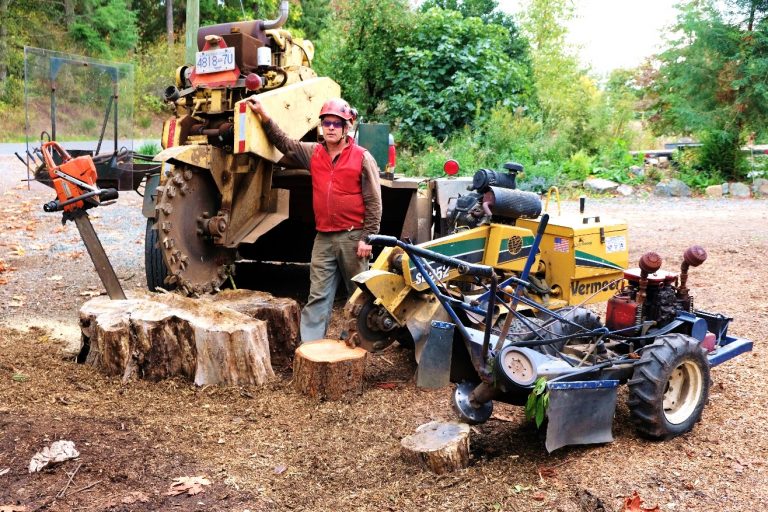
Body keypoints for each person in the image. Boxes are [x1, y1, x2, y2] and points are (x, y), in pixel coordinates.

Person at [247, 96, 382, 342]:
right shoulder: (314, 153)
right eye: (326, 122)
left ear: (347, 127)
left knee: (358, 295)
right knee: (318, 295)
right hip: (324, 237)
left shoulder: (362, 157)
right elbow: (284, 143)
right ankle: (310, 346)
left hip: (353, 236)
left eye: (336, 123)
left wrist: (367, 237)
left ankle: (355, 341)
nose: (330, 127)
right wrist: (264, 116)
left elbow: (374, 201)